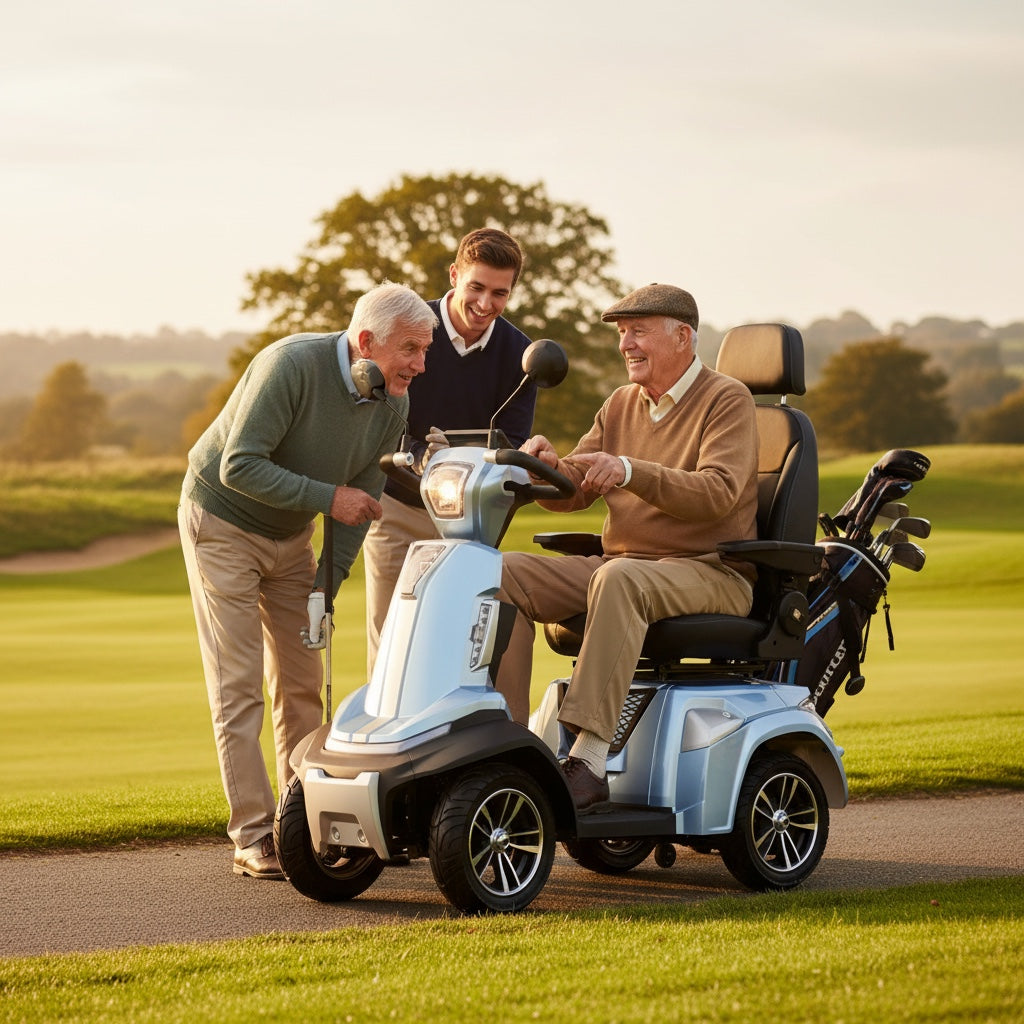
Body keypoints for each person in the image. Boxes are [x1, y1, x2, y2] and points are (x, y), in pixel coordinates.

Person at [178, 281, 437, 878]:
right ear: (366, 341)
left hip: (291, 536)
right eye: (410, 349)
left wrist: (328, 581)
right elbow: (238, 464)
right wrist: (329, 497)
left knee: (300, 683)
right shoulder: (289, 364)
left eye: (425, 350)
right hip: (222, 522)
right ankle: (251, 836)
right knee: (238, 683)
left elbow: (365, 497)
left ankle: (301, 822)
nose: (420, 365)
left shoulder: (392, 399)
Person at [493, 283, 760, 812]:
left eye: (638, 331)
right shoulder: (620, 403)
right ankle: (506, 744)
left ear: (682, 336)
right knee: (495, 573)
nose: (625, 345)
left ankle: (588, 761)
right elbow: (577, 487)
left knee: (616, 579)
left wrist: (633, 472)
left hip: (712, 571)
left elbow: (718, 492)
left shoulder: (727, 398)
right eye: (621, 334)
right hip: (626, 566)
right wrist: (543, 464)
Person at [362, 228, 537, 675]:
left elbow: (513, 442)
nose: (485, 303)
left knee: (465, 641)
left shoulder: (521, 354)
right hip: (397, 503)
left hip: (473, 518)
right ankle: (392, 741)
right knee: (393, 636)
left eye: (500, 293)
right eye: (476, 287)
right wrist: (423, 453)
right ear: (455, 274)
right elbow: (375, 416)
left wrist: (457, 456)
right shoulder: (412, 332)